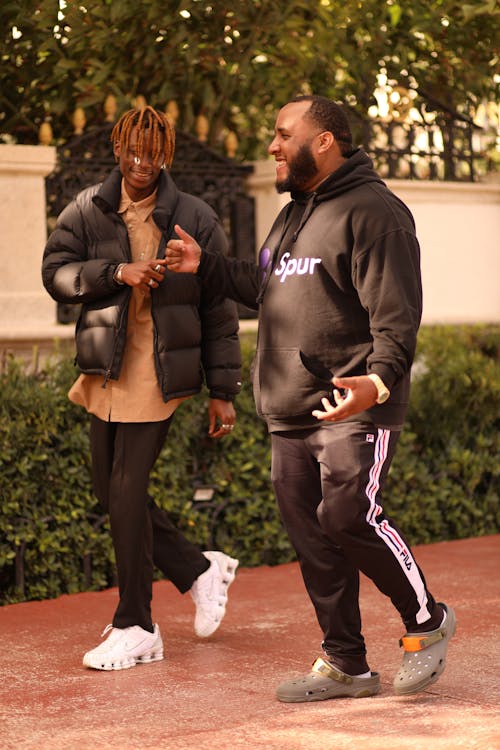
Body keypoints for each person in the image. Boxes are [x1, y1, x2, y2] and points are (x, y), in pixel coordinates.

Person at [165, 95, 456, 702]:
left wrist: (375, 384)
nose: (271, 145)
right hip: (288, 402)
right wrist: (206, 266)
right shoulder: (294, 212)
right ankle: (345, 660)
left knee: (349, 518)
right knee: (313, 538)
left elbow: (398, 319)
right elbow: (266, 285)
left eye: (281, 134)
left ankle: (427, 620)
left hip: (352, 401)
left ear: (324, 140)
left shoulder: (377, 214)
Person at [42, 106, 241, 671]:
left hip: (160, 370)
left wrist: (222, 390)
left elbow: (219, 306)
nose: (142, 162)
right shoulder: (89, 207)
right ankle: (198, 569)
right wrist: (115, 273)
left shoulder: (194, 216)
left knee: (127, 491)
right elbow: (55, 270)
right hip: (105, 365)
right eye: (133, 150)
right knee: (108, 491)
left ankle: (137, 623)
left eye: (153, 153)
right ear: (118, 148)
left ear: (166, 155)